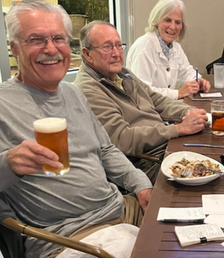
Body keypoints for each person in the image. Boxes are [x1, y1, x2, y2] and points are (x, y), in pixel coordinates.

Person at [1, 0, 153, 258]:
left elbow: (106, 150)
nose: (51, 48)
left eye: (58, 38)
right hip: (66, 238)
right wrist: (8, 164)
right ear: (13, 48)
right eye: (36, 39)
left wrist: (140, 183)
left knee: (199, 248)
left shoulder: (73, 93)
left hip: (122, 210)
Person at [74, 20, 208, 182]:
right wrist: (178, 129)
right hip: (147, 163)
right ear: (87, 54)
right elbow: (122, 139)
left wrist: (188, 112)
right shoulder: (88, 89)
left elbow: (157, 100)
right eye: (107, 47)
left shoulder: (123, 74)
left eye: (118, 45)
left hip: (165, 145)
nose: (116, 53)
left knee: (216, 149)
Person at [126, 0, 210, 100]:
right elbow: (142, 91)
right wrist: (178, 93)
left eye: (178, 22)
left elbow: (186, 71)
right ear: (157, 20)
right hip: (146, 111)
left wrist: (197, 81)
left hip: (164, 107)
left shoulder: (175, 47)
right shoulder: (143, 48)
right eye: (168, 20)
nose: (173, 27)